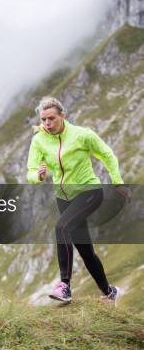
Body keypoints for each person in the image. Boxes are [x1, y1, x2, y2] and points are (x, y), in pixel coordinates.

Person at [26, 97, 131, 303]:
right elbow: (30, 172)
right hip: (63, 198)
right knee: (86, 251)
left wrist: (118, 183)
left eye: (51, 118)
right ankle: (110, 293)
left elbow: (108, 155)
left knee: (61, 227)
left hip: (89, 191)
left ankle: (64, 286)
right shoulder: (39, 140)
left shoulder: (82, 135)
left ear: (62, 116)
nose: (47, 123)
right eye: (43, 119)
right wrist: (37, 175)